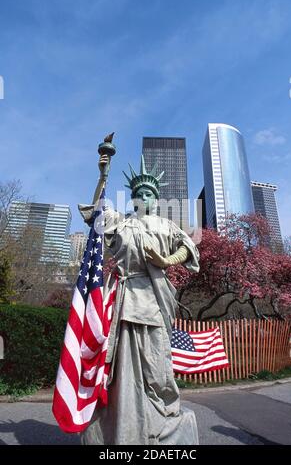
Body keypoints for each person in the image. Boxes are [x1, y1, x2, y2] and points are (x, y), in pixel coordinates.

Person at [78, 152, 200, 445]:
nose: (143, 197)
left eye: (148, 193)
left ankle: (160, 417)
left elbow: (187, 249)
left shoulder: (166, 225)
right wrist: (103, 176)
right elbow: (94, 214)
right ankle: (123, 419)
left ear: (156, 199)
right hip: (124, 297)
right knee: (122, 365)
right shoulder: (122, 222)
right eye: (138, 193)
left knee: (157, 364)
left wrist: (166, 259)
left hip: (155, 298)